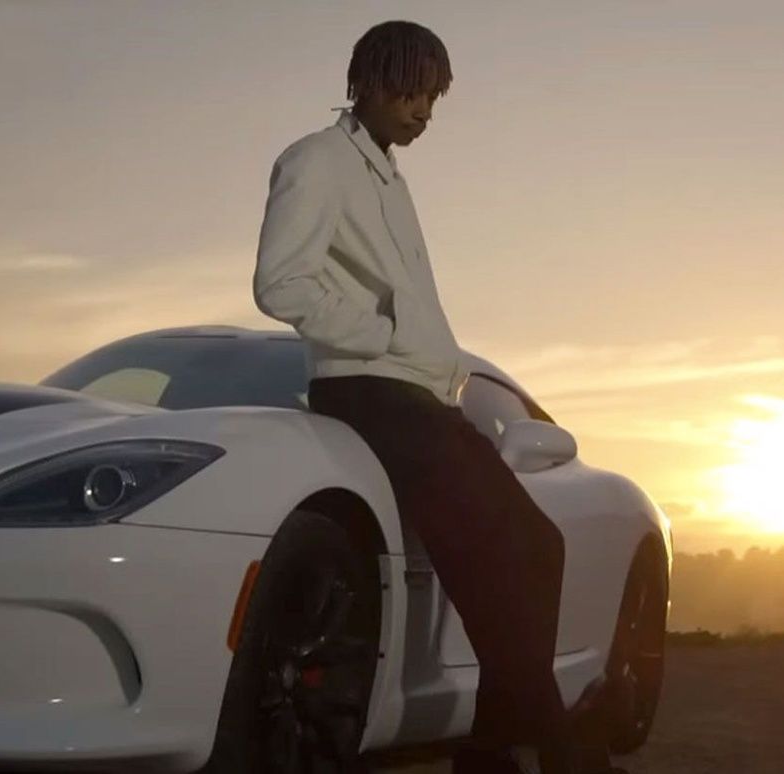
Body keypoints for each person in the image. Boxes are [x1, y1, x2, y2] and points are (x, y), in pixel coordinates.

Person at [251, 19, 626, 774]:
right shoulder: (316, 161)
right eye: (412, 90)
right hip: (369, 395)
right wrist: (384, 327)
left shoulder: (389, 177)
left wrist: (430, 354)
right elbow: (278, 283)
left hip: (419, 400)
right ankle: (560, 753)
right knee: (500, 558)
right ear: (368, 80)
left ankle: (488, 752)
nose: (424, 110)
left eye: (433, 97)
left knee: (537, 547)